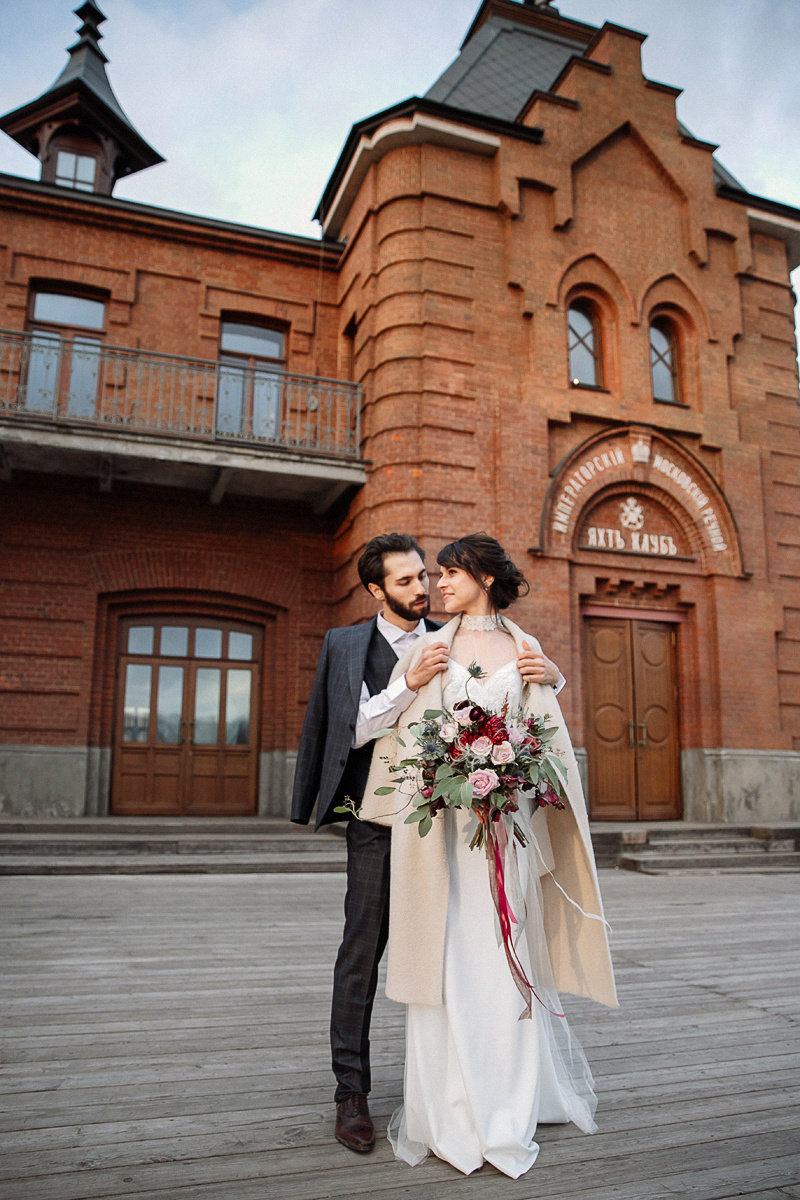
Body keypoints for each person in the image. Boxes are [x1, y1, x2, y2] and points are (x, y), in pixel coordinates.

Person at [290, 532, 563, 1154]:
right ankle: (350, 1093)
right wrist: (407, 684)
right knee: (364, 947)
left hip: (452, 825)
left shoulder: (457, 635)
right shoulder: (345, 645)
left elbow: (505, 700)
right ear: (375, 590)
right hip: (379, 821)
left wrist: (558, 677)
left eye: (425, 576)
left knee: (454, 950)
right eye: (408, 581)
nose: (424, 589)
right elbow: (349, 731)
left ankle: (458, 1084)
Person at [359, 533, 617, 1178]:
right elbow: (396, 739)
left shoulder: (526, 649)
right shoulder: (427, 648)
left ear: (484, 577)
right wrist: (449, 776)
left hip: (508, 832)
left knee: (508, 953)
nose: (437, 584)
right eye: (435, 574)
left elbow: (544, 739)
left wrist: (517, 770)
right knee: (451, 954)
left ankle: (509, 1100)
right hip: (443, 837)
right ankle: (449, 1107)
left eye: (449, 572)